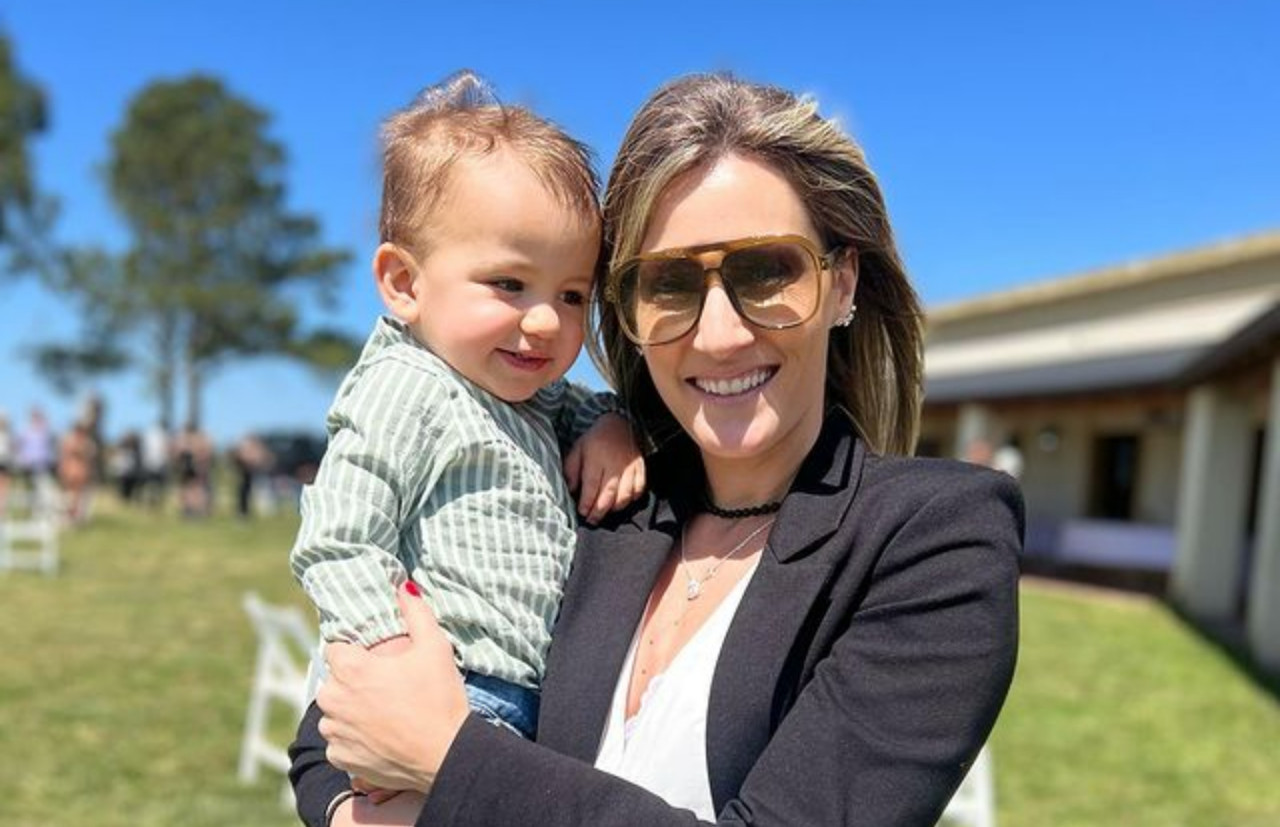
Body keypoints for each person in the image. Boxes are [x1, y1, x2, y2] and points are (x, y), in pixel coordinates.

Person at [291, 73, 1022, 827]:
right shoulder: (603, 496)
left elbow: (422, 734)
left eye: (767, 269)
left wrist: (449, 760)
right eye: (669, 282)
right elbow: (337, 723)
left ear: (841, 284)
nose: (719, 333)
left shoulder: (935, 538)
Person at [289, 71, 644, 747]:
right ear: (404, 282)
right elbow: (338, 537)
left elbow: (587, 407)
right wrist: (391, 665)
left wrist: (612, 427)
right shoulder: (411, 385)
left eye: (573, 295)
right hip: (445, 692)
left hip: (520, 706)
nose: (545, 321)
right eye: (509, 283)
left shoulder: (533, 395)